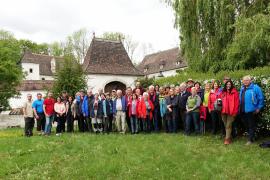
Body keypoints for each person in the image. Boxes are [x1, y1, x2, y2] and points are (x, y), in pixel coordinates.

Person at [240, 75, 264, 145]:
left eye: (247, 80)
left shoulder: (255, 88)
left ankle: (250, 140)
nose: (245, 82)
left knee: (251, 125)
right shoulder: (242, 88)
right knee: (246, 124)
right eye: (244, 80)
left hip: (252, 110)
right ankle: (252, 136)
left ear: (250, 81)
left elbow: (261, 98)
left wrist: (259, 108)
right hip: (243, 110)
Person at [221, 80, 239, 145]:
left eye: (229, 84)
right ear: (225, 85)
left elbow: (237, 103)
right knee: (226, 125)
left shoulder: (235, 92)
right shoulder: (223, 92)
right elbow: (220, 100)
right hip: (223, 111)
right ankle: (229, 136)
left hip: (231, 112)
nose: (228, 85)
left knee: (228, 125)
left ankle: (227, 139)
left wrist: (235, 112)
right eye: (227, 84)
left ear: (231, 85)